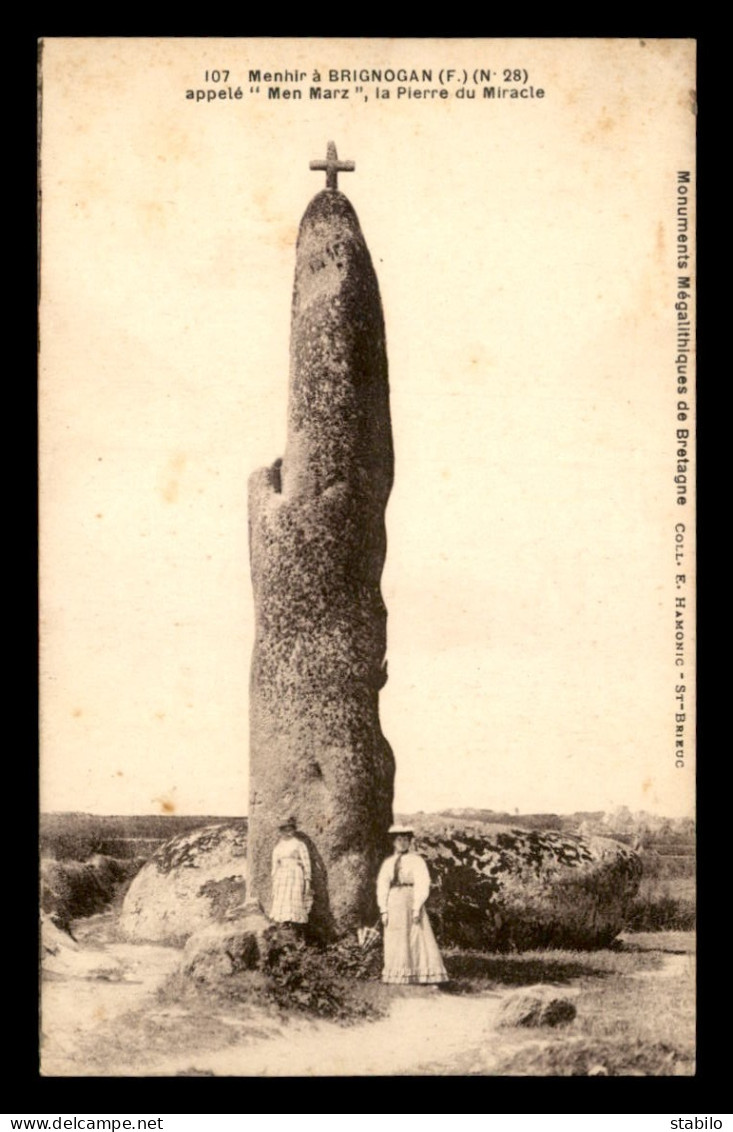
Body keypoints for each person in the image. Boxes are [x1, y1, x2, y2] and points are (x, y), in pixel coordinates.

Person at [377, 824, 448, 985]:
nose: (402, 843)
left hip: (411, 899)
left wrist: (417, 907)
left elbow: (423, 883)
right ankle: (397, 976)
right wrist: (384, 910)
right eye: (399, 840)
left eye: (405, 840)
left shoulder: (417, 861)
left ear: (409, 842)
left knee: (417, 936)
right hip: (394, 901)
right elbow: (382, 886)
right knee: (396, 938)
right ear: (394, 842)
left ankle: (424, 975)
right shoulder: (388, 863)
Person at [270, 817, 312, 926]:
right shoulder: (278, 846)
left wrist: (307, 879)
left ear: (294, 830)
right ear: (281, 831)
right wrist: (274, 877)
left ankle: (294, 923)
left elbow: (306, 862)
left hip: (295, 874)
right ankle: (284, 923)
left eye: (291, 830)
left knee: (293, 897)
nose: (288, 833)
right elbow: (275, 863)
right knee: (282, 898)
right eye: (286, 830)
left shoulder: (299, 844)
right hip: (282, 874)